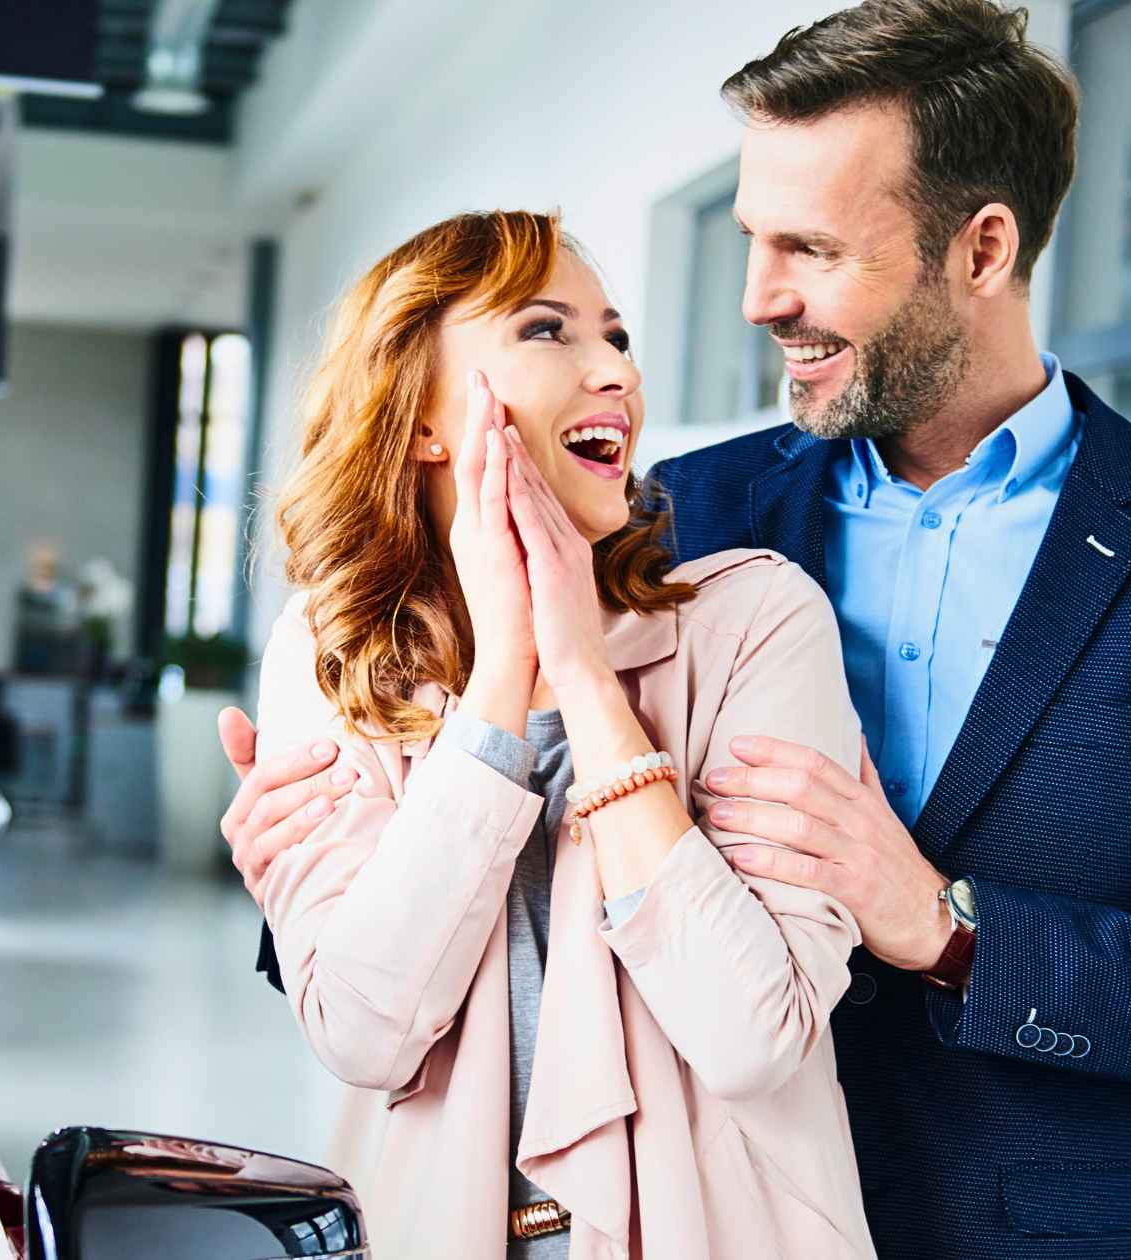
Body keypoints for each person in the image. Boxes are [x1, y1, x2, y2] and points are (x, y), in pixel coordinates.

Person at [220, 3, 1131, 1257]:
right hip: (692, 1217)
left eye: (810, 249)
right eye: (748, 239)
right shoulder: (676, 521)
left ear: (980, 248)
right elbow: (475, 897)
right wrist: (302, 865)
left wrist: (951, 934)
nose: (755, 299)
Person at [246, 209, 876, 1258]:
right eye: (548, 332)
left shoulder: (754, 623)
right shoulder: (331, 654)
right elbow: (364, 1031)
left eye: (617, 337)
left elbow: (752, 1036)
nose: (612, 373)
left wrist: (581, 674)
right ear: (418, 419)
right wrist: (501, 681)